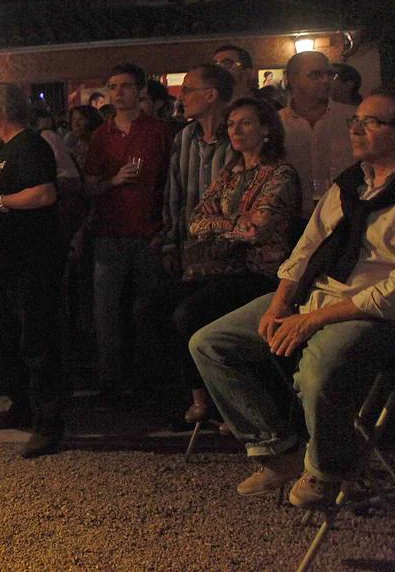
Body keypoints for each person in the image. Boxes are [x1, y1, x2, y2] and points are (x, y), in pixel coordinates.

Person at [190, 87, 395, 508]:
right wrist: (280, 303)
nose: (358, 129)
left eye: (372, 122)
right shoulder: (349, 186)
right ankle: (278, 450)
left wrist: (313, 320)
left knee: (321, 366)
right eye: (355, 121)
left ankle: (326, 471)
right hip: (318, 295)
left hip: (374, 314)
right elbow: (305, 250)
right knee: (211, 343)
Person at [157, 98, 300, 423]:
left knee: (189, 314)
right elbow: (196, 220)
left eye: (245, 123)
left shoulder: (280, 174)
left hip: (259, 273)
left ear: (266, 129)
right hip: (219, 269)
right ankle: (201, 393)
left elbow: (258, 230)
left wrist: (221, 223)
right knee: (151, 306)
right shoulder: (230, 174)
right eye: (232, 123)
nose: (235, 130)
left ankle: (233, 402)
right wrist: (235, 221)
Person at [0, 83, 66, 457]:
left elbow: (44, 193)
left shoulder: (31, 146)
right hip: (8, 258)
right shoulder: (2, 150)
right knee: (6, 332)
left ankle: (48, 423)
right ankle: (22, 405)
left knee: (39, 339)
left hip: (35, 258)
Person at [82, 62, 173, 396]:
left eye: (126, 86)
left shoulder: (158, 131)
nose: (118, 93)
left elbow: (170, 181)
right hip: (110, 233)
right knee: (106, 311)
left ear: (140, 91)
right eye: (113, 86)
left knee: (148, 309)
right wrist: (114, 180)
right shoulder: (100, 135)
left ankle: (149, 379)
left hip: (149, 232)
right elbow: (88, 186)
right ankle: (111, 381)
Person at [162, 64, 236, 277]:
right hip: (191, 251)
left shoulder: (238, 138)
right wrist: (170, 245)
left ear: (211, 95)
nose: (180, 97)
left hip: (230, 255)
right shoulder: (184, 138)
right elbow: (173, 197)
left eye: (187, 90)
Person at [280, 51, 357, 217]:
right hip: (291, 219)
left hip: (344, 216)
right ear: (293, 79)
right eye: (315, 75)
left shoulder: (352, 118)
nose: (326, 81)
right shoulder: (276, 124)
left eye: (330, 75)